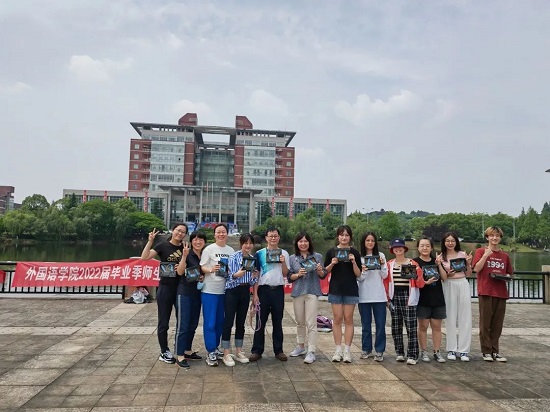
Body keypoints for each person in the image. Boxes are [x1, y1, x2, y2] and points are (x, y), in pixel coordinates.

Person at [141, 223, 188, 364]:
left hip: (181, 288)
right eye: (178, 230)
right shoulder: (162, 246)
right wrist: (150, 241)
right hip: (165, 288)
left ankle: (179, 347)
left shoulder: (185, 248)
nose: (180, 233)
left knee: (182, 321)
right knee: (163, 322)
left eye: (183, 232)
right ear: (173, 230)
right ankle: (164, 351)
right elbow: (144, 257)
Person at [472, 226, 513, 362]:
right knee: (485, 323)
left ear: (500, 238)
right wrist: (485, 255)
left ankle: (495, 351)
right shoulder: (480, 251)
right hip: (486, 291)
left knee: (497, 324)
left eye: (497, 236)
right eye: (492, 235)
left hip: (501, 292)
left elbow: (509, 273)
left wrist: (505, 277)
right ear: (487, 237)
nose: (494, 238)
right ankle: (486, 351)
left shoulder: (505, 256)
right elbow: (476, 269)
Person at [249, 227, 290, 362]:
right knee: (260, 321)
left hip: (278, 291)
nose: (273, 238)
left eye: (275, 236)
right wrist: (255, 294)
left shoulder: (284, 253)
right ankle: (257, 350)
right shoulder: (259, 253)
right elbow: (256, 275)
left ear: (279, 237)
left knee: (278, 321)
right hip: (263, 290)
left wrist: (283, 262)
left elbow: (285, 273)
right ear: (266, 238)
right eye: (270, 236)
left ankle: (279, 350)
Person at [287, 232, 327, 364]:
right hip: (298, 291)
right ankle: (300, 346)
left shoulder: (317, 256)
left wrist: (320, 270)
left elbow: (323, 275)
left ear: (309, 242)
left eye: (305, 241)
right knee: (300, 321)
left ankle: (311, 351)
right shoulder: (292, 258)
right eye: (300, 241)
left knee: (311, 323)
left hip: (312, 291)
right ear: (297, 243)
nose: (303, 244)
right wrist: (298, 274)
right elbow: (289, 277)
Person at [324, 225, 362, 363]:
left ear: (350, 237)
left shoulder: (355, 253)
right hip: (336, 289)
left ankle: (347, 351)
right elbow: (325, 271)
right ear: (338, 236)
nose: (344, 237)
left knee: (349, 319)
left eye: (346, 235)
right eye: (341, 235)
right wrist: (332, 264)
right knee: (337, 318)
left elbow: (358, 274)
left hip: (350, 290)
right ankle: (338, 350)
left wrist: (353, 262)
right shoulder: (331, 252)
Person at [384, 238, 424, 365]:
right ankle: (399, 352)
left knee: (411, 326)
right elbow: (385, 282)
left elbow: (420, 283)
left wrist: (416, 275)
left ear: (404, 249)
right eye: (395, 247)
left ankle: (413, 354)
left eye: (400, 247)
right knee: (396, 326)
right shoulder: (389, 264)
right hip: (394, 295)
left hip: (409, 295)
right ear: (392, 250)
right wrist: (387, 299)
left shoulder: (412, 263)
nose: (398, 249)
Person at [221, 233, 259, 367]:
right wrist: (237, 275)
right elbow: (228, 277)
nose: (248, 246)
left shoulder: (252, 259)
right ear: (241, 244)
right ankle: (226, 353)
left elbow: (252, 281)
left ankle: (239, 351)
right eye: (245, 243)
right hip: (232, 291)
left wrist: (254, 276)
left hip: (245, 291)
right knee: (228, 322)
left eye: (250, 243)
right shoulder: (233, 257)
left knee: (241, 322)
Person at [199, 223, 235, 367]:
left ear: (227, 233)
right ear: (214, 234)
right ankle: (210, 351)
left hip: (225, 291)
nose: (221, 234)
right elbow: (202, 267)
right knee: (210, 322)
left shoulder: (231, 250)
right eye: (218, 232)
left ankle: (216, 347)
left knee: (221, 322)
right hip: (210, 290)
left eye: (223, 232)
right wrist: (211, 269)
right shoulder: (209, 249)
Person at [174, 231, 207, 368]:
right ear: (191, 241)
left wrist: (202, 277)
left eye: (201, 240)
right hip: (185, 293)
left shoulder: (205, 255)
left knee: (193, 324)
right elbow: (180, 272)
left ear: (204, 242)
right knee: (183, 325)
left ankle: (187, 350)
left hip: (198, 293)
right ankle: (179, 355)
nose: (198, 242)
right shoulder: (187, 253)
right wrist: (184, 256)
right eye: (195, 239)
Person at [413, 237, 448, 363]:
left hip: (437, 298)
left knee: (437, 326)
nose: (425, 248)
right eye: (422, 245)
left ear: (431, 248)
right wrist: (424, 282)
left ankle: (437, 351)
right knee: (423, 326)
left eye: (427, 246)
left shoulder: (436, 261)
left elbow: (444, 277)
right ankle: (423, 351)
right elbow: (413, 280)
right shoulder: (414, 262)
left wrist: (439, 264)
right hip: (422, 298)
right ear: (418, 248)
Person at [439, 232, 473, 362]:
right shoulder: (441, 257)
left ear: (456, 242)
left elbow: (468, 274)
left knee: (465, 317)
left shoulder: (462, 254)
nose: (450, 243)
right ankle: (451, 348)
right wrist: (446, 271)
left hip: (462, 283)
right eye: (447, 241)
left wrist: (468, 263)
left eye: (452, 241)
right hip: (448, 285)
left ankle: (464, 350)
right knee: (450, 317)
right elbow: (442, 277)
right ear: (444, 242)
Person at [357, 232, 388, 362]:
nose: (370, 243)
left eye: (372, 240)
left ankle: (379, 350)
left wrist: (382, 264)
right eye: (368, 240)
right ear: (363, 242)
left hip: (379, 296)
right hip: (364, 296)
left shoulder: (381, 255)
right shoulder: (359, 257)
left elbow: (385, 275)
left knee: (380, 325)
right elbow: (359, 278)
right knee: (366, 325)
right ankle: (366, 349)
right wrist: (364, 271)